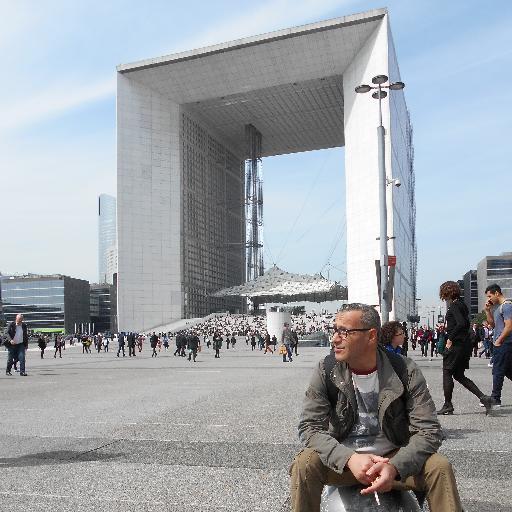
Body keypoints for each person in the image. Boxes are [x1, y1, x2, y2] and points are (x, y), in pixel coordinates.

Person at [289, 303, 464, 512]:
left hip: (393, 458)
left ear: (371, 336)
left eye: (344, 332)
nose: (335, 339)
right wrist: (349, 459)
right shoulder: (326, 369)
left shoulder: (404, 370)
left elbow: (429, 431)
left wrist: (395, 466)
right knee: (305, 463)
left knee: (439, 467)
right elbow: (310, 428)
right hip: (345, 462)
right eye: (334, 330)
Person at [437, 281, 492, 415]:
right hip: (464, 344)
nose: (442, 295)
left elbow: (461, 323)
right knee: (459, 375)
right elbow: (464, 323)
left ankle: (447, 405)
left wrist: (450, 338)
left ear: (447, 292)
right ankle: (483, 398)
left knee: (447, 372)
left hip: (456, 344)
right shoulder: (462, 304)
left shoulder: (454, 305)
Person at [484, 283, 512, 408]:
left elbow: (509, 326)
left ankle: (495, 398)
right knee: (507, 370)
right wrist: (487, 311)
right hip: (501, 343)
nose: (489, 299)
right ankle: (495, 397)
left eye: (490, 296)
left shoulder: (507, 306)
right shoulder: (498, 308)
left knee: (498, 370)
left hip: (504, 343)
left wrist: (499, 340)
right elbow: (493, 325)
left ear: (496, 293)